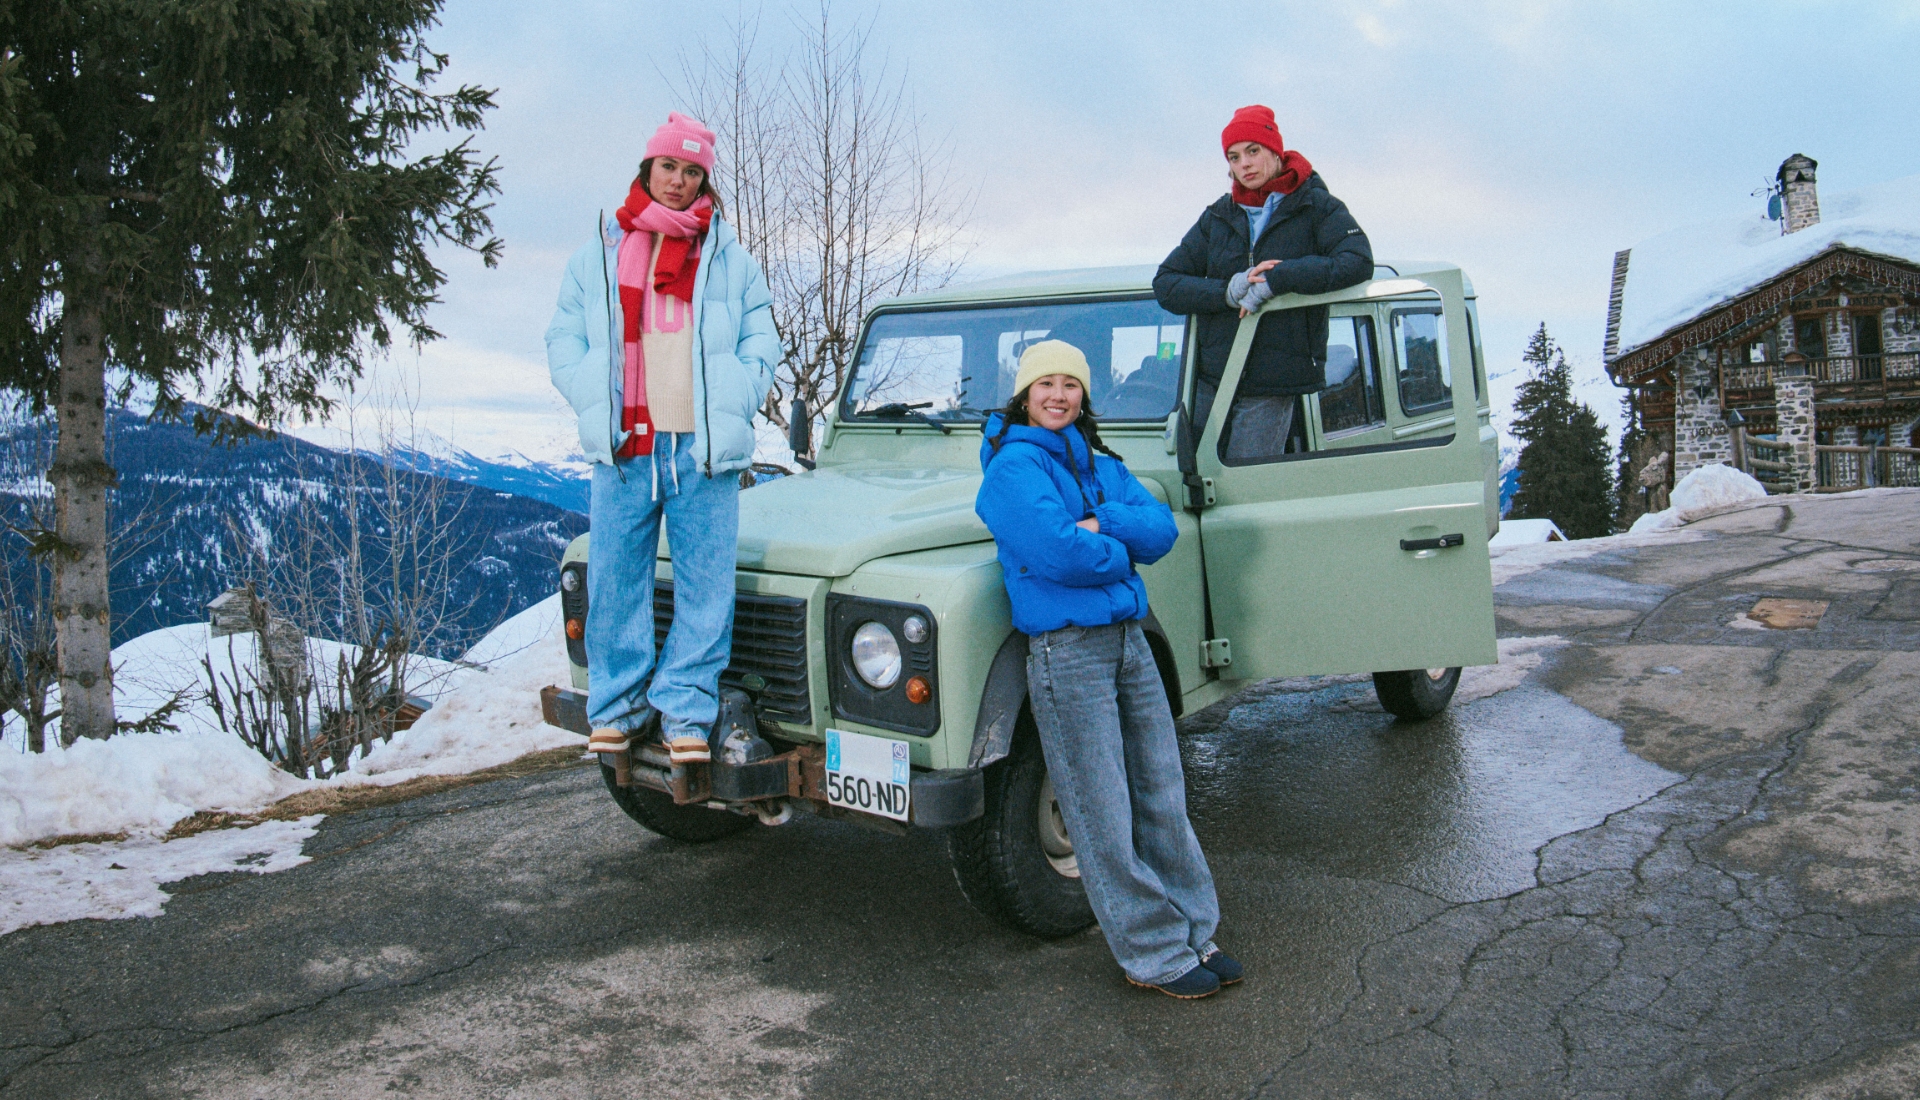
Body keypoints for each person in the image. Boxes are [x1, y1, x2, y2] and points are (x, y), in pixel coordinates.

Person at [974, 340, 1241, 1000]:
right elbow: (1059, 554)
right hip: (1067, 650)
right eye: (1045, 384)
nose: (1058, 395)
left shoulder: (1098, 461)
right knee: (1100, 808)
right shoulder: (1011, 469)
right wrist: (1121, 553)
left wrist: (1105, 522)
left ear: (1084, 395)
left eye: (1070, 384)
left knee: (1161, 791)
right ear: (1024, 395)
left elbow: (1162, 530)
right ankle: (1152, 954)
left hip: (1128, 641)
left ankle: (1193, 931)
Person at [545, 112, 778, 767]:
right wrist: (590, 392)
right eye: (669, 166)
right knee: (616, 583)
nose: (678, 180)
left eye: (692, 171)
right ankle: (617, 708)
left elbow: (761, 338)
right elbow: (563, 337)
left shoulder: (729, 260)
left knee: (706, 589)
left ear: (705, 179)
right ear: (648, 168)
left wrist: (739, 389)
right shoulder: (599, 253)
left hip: (700, 451)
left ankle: (686, 710)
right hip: (626, 447)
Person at [1153, 104, 1373, 463]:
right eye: (1234, 157)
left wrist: (1278, 280)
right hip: (1212, 377)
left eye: (1253, 151)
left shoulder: (1317, 206)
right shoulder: (1218, 216)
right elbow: (1166, 283)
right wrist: (1227, 291)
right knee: (1190, 477)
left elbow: (1358, 261)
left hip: (1274, 381)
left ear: (1275, 150)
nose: (1245, 164)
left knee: (1244, 481)